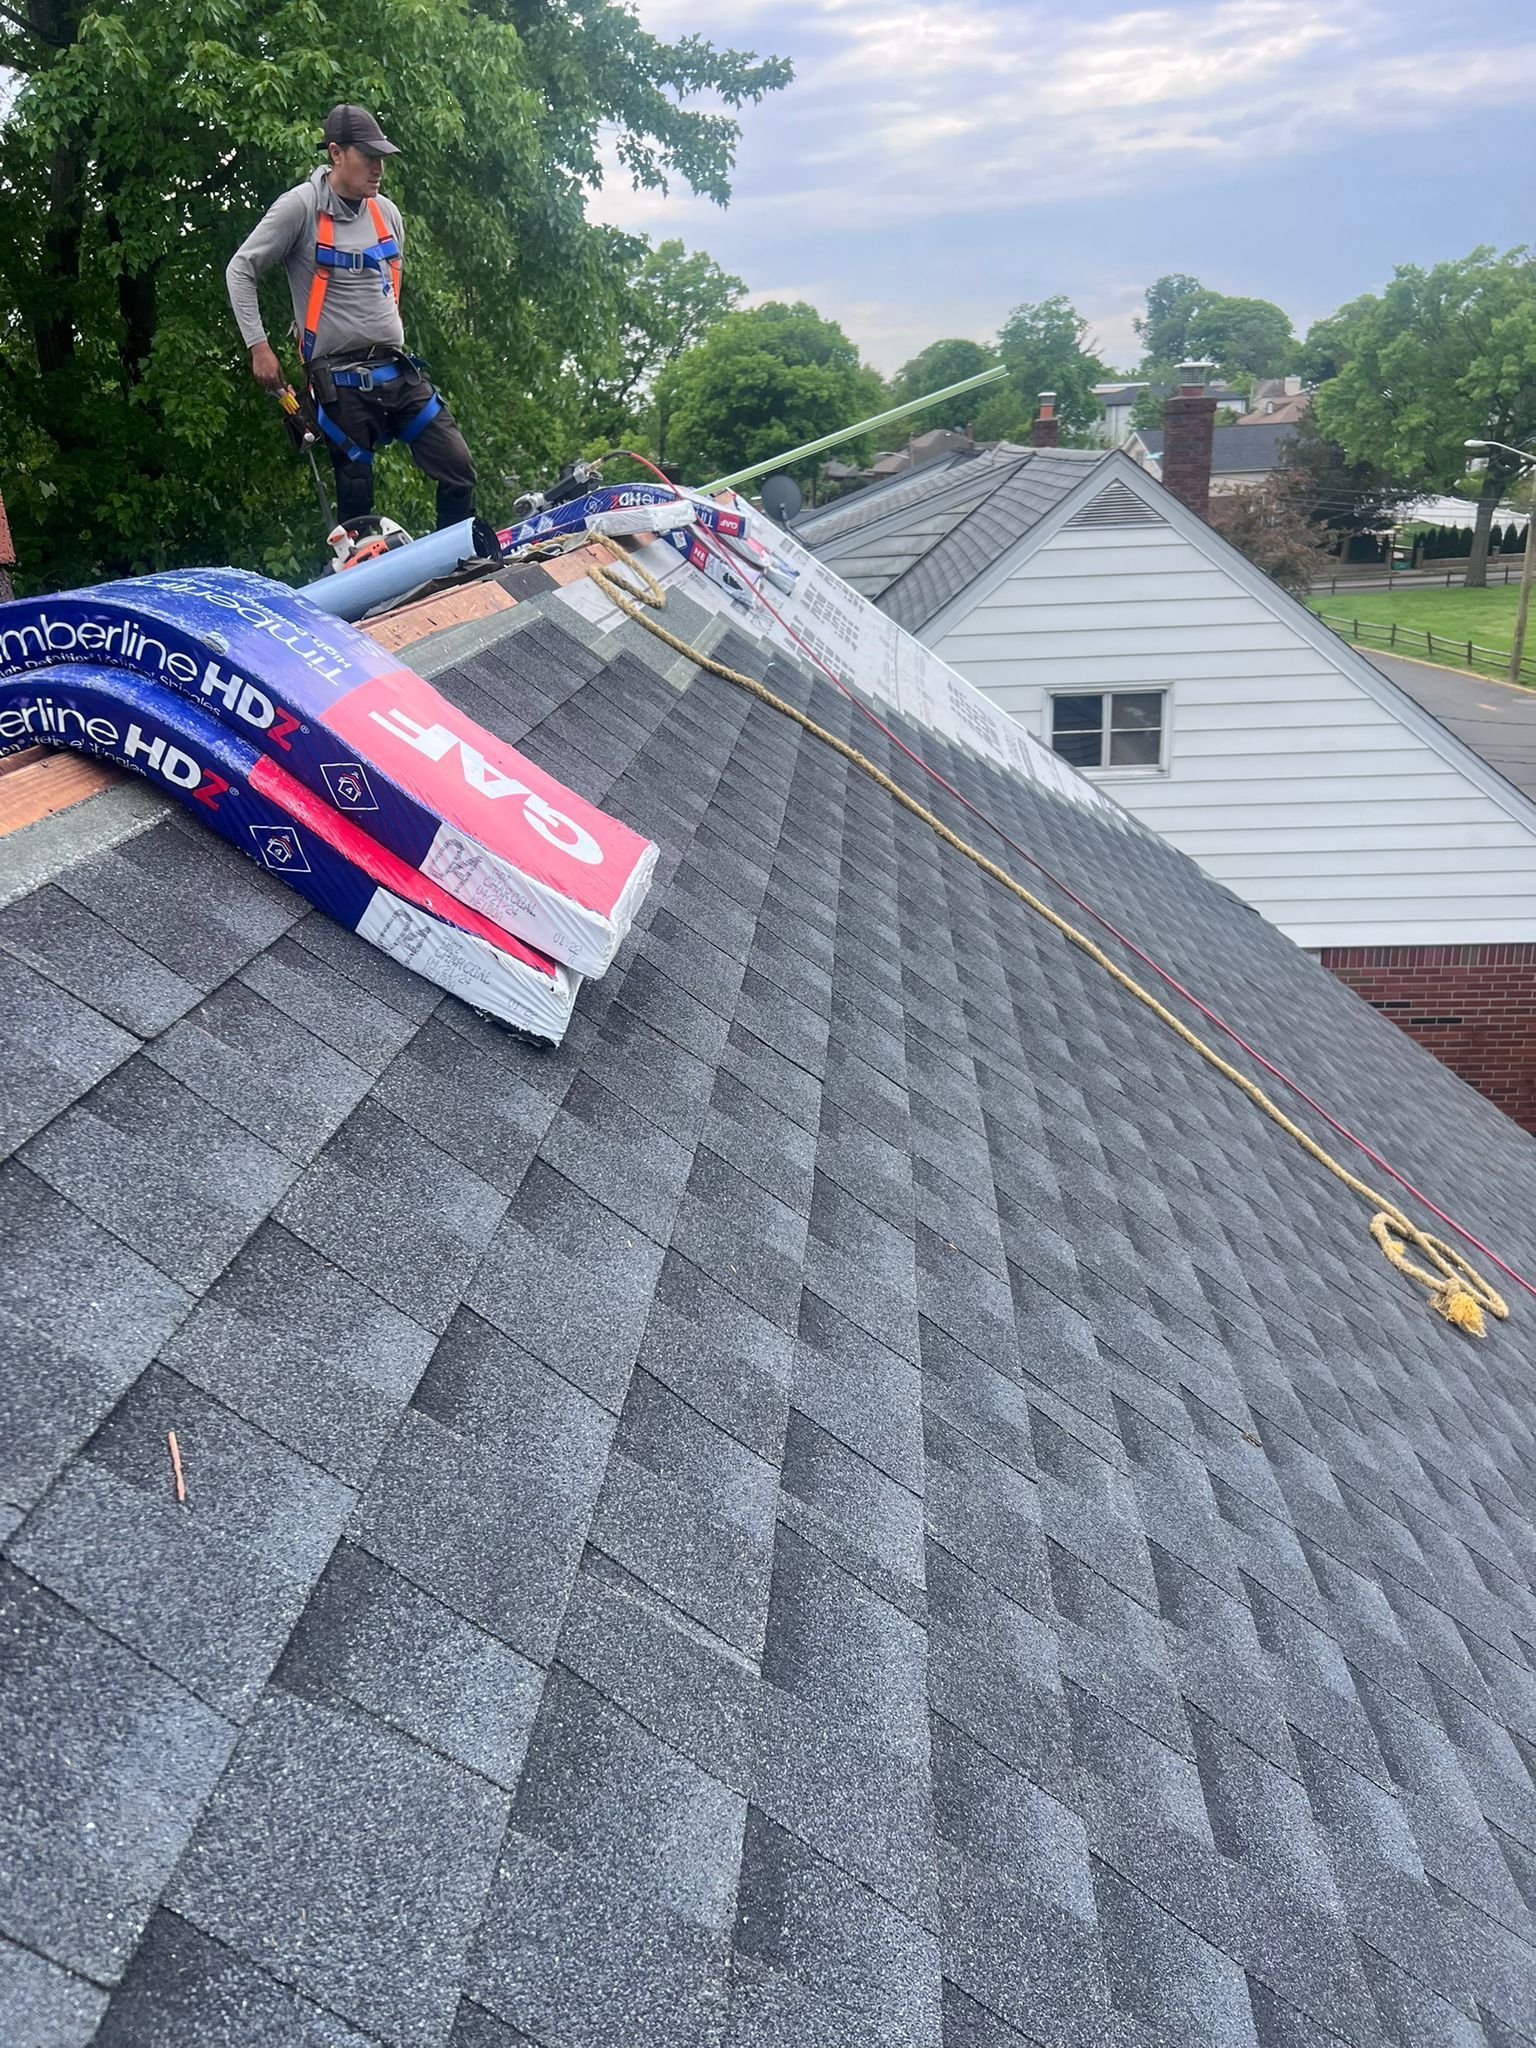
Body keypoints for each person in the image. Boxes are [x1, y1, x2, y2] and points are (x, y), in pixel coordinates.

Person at [226, 104, 477, 536]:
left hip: (397, 373)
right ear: (336, 153)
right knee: (357, 500)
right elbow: (240, 269)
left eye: (381, 158)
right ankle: (366, 591)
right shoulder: (300, 208)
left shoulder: (386, 213)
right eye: (368, 156)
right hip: (340, 382)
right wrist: (259, 346)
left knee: (458, 467)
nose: (378, 168)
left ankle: (456, 560)